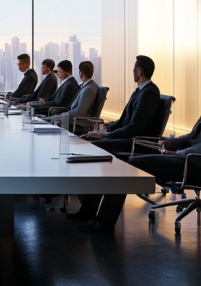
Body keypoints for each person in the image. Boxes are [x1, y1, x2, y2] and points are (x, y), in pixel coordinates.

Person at [78, 60, 201, 233]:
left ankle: (103, 223)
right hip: (194, 159)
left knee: (126, 166)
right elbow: (194, 135)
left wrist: (178, 153)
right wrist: (168, 143)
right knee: (125, 162)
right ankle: (98, 217)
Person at [69, 55, 161, 221]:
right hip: (129, 138)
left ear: (139, 71)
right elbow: (124, 120)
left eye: (134, 69)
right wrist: (107, 127)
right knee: (89, 142)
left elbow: (135, 127)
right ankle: (88, 208)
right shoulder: (140, 91)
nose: (133, 72)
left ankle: (93, 211)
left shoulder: (149, 93)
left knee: (94, 148)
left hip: (137, 143)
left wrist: (107, 135)